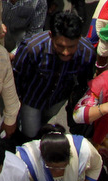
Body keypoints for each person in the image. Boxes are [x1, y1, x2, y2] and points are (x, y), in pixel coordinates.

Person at [9, 11, 96, 139]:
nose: (66, 52)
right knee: (30, 134)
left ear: (79, 38)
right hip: (31, 102)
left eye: (71, 47)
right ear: (51, 35)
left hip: (57, 101)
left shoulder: (87, 53)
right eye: (60, 46)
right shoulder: (31, 48)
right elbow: (17, 79)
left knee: (42, 125)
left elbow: (84, 83)